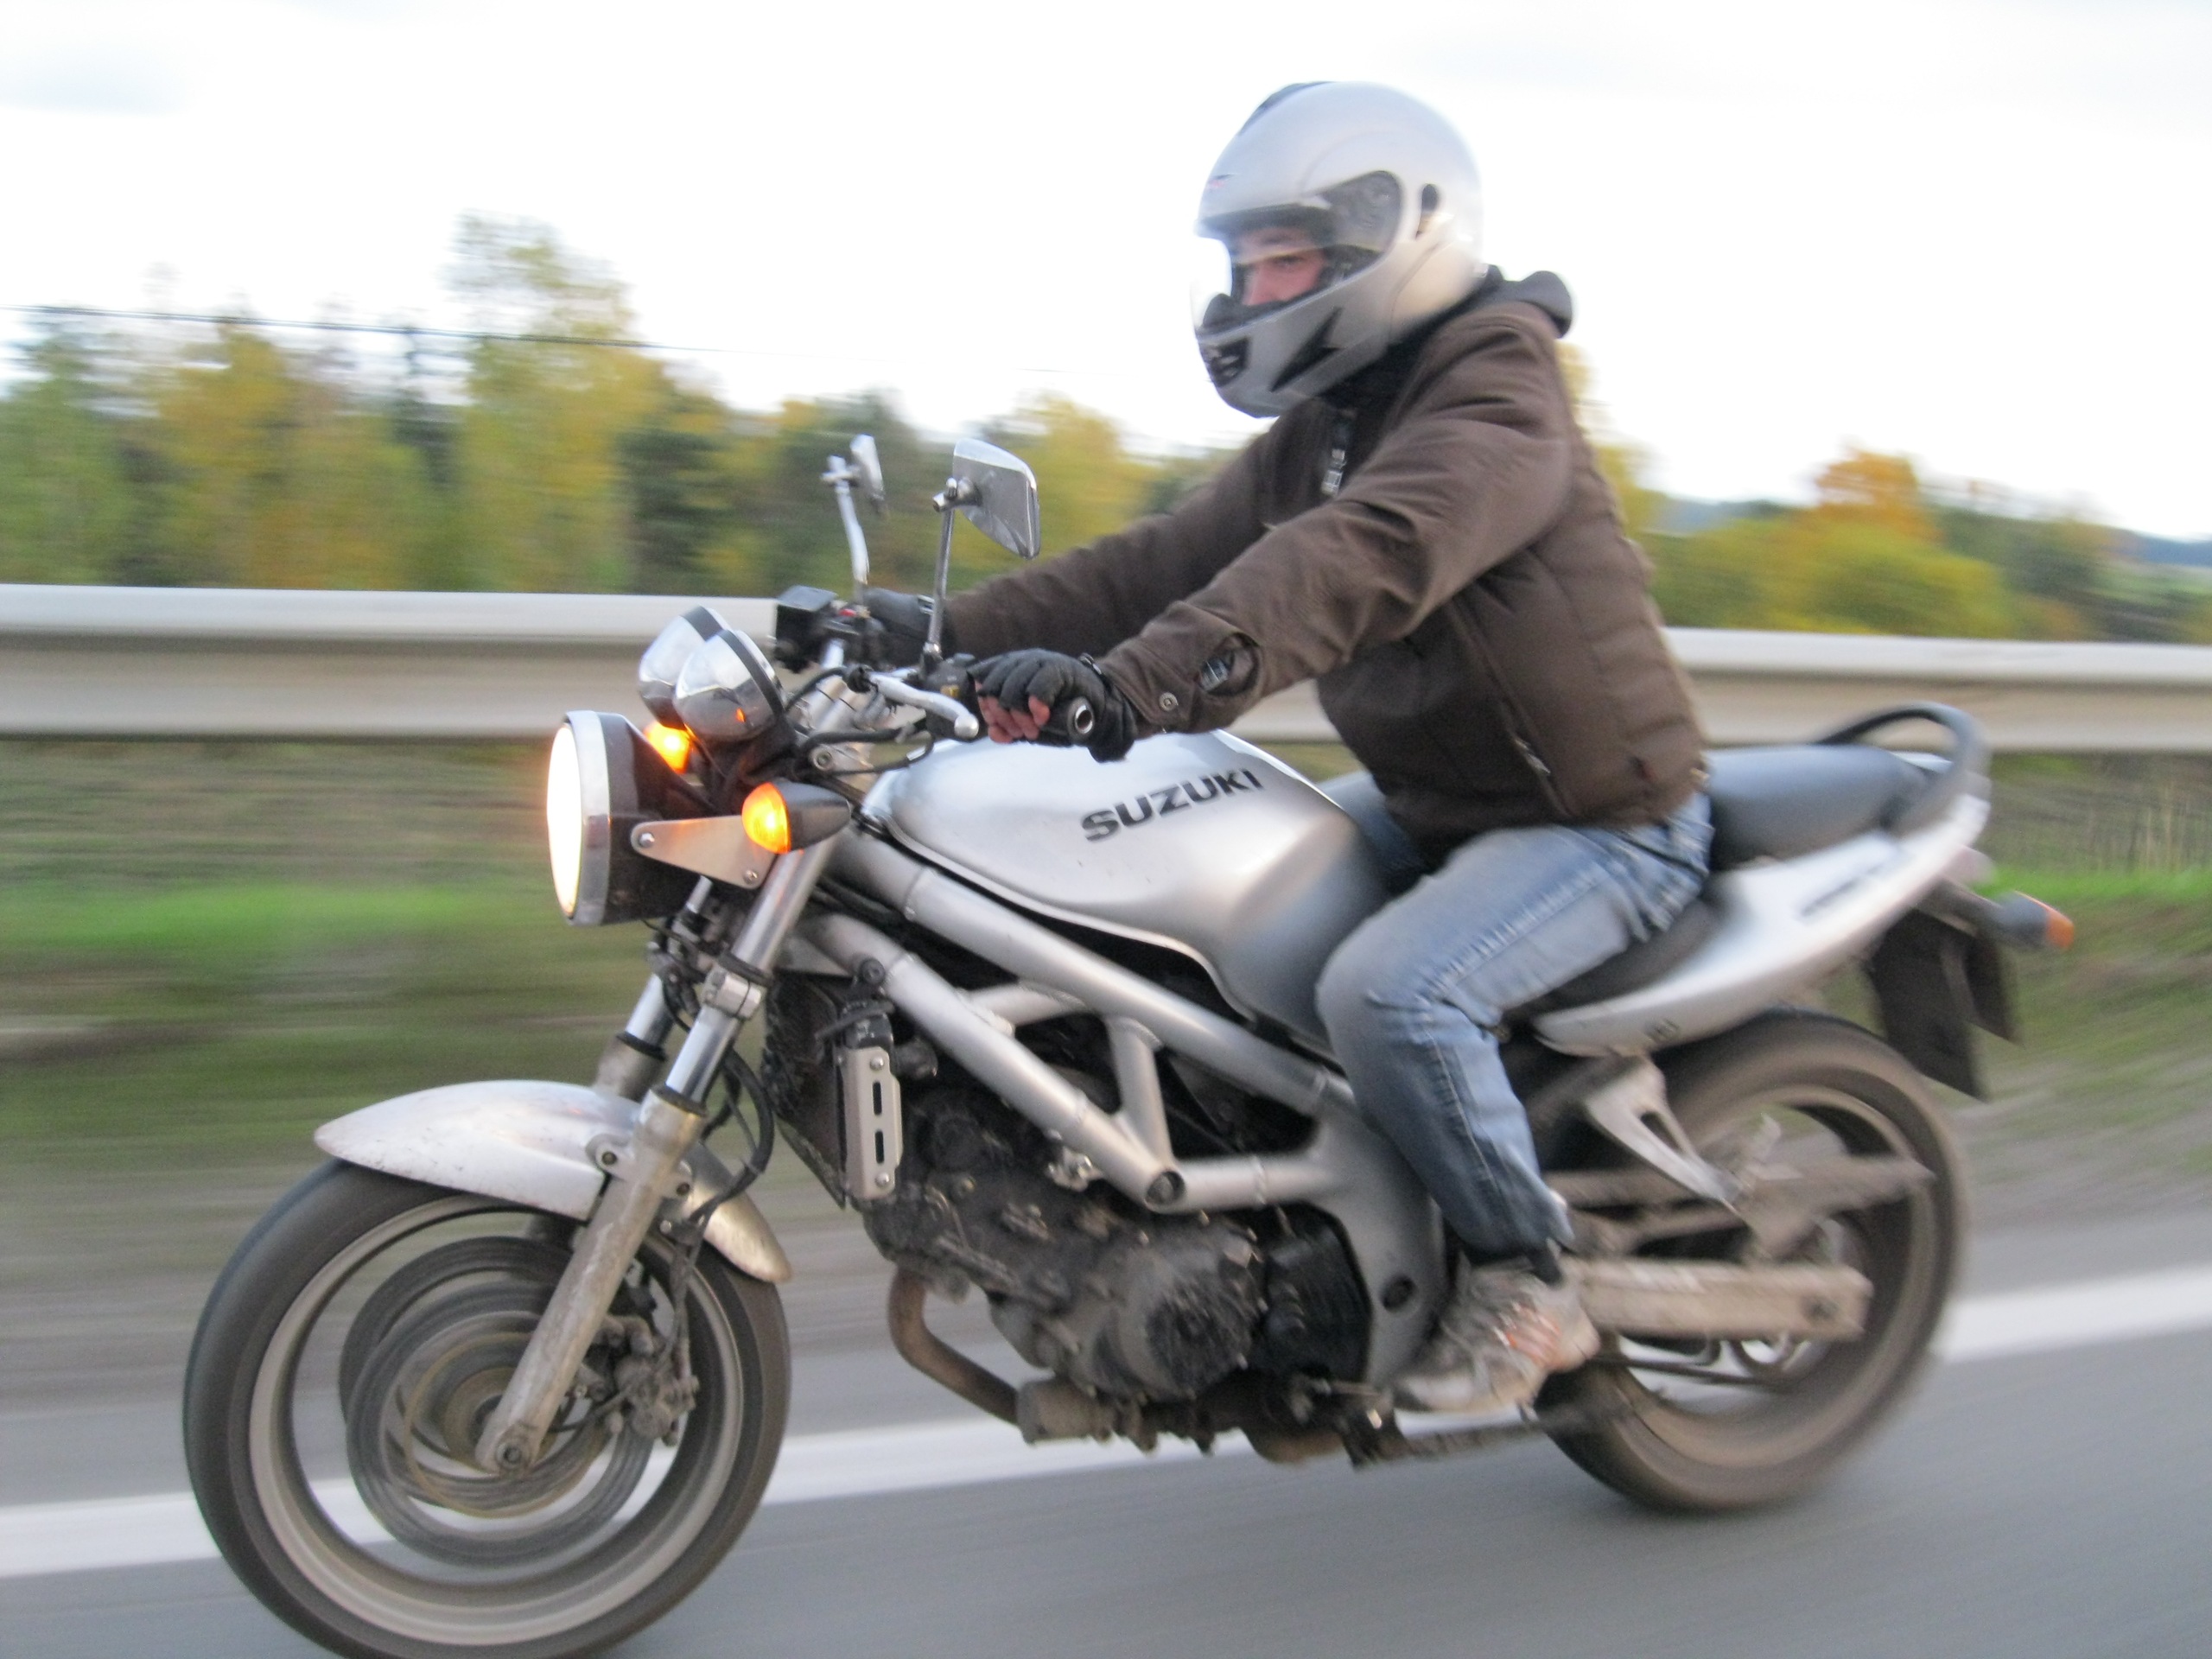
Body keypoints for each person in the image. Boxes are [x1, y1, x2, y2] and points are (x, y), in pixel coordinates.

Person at [878, 81, 1710, 1415]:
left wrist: (1134, 688)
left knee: (1392, 997)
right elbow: (1156, 563)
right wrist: (930, 632)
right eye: (1246, 263)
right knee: (1202, 909)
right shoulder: (1333, 424)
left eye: (1286, 261)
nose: (1254, 290)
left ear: (1395, 241)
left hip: (1599, 825)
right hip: (1437, 809)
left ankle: (1530, 1278)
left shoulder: (1495, 397)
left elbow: (1358, 558)